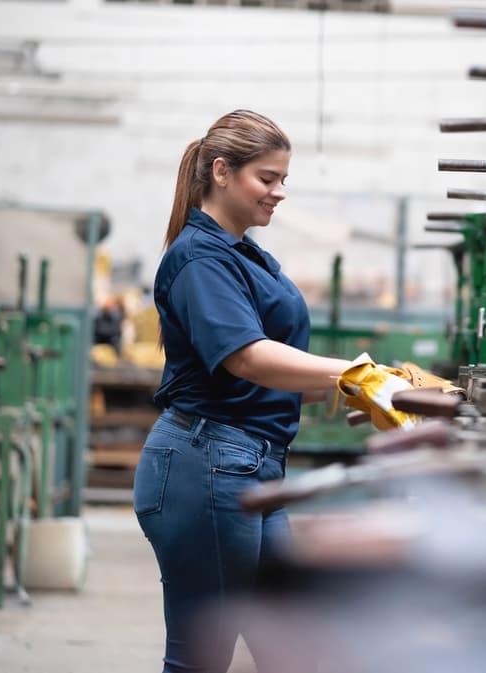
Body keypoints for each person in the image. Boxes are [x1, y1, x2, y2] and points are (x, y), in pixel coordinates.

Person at [133, 109, 356, 673]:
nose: (279, 192)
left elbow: (270, 377)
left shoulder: (245, 254)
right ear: (222, 171)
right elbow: (248, 358)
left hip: (250, 465)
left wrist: (353, 393)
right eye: (268, 178)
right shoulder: (200, 259)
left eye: (283, 179)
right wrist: (354, 374)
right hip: (208, 464)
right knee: (200, 657)